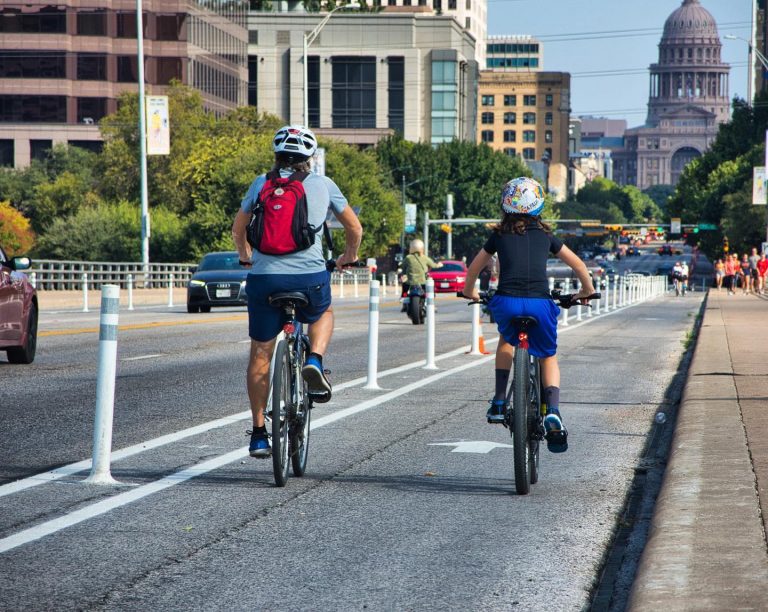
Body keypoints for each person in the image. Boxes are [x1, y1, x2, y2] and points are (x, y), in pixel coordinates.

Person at [232, 125, 363, 458]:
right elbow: (354, 227)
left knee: (261, 352)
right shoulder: (324, 184)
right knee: (323, 312)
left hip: (264, 279)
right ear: (312, 158)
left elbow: (238, 229)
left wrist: (247, 257)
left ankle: (260, 433)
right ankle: (315, 360)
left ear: (276, 156)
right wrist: (350, 255)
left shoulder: (261, 183)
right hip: (309, 277)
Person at [462, 176, 596, 453]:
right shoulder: (547, 236)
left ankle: (499, 400)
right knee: (547, 355)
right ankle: (553, 411)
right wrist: (586, 290)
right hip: (539, 303)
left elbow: (475, 268)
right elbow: (579, 264)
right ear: (538, 205)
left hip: (507, 302)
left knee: (506, 340)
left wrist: (469, 291)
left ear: (506, 204)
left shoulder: (498, 235)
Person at [400, 239, 442, 311]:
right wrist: (439, 265)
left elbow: (402, 266)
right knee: (431, 290)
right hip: (423, 281)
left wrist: (403, 272)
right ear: (422, 248)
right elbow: (433, 265)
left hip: (410, 281)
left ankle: (404, 303)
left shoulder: (408, 258)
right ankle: (432, 304)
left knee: (404, 287)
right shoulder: (425, 258)